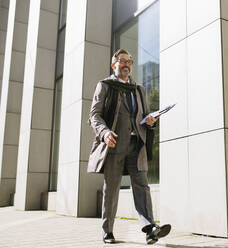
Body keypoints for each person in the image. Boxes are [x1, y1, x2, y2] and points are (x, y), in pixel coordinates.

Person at [87, 49, 171, 244]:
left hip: (137, 144)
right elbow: (94, 115)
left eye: (129, 61)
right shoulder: (105, 86)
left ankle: (150, 229)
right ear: (113, 64)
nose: (126, 64)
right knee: (112, 188)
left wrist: (151, 121)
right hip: (114, 143)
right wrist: (105, 132)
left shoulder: (139, 89)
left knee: (142, 186)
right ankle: (107, 230)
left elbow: (145, 115)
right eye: (122, 61)